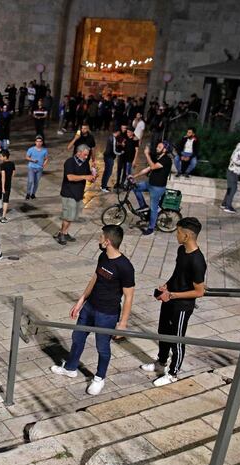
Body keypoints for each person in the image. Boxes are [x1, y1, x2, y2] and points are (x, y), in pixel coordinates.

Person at [51, 225, 135, 395]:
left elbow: (129, 296)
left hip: (107, 314)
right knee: (77, 337)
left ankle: (99, 378)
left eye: (101, 237)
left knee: (102, 347)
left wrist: (123, 323)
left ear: (108, 241)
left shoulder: (125, 266)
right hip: (90, 307)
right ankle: (71, 368)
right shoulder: (103, 256)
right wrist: (81, 301)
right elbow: (95, 278)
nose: (99, 239)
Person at [140, 217, 206, 386]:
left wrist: (172, 295)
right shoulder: (181, 251)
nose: (176, 235)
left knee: (177, 339)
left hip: (182, 306)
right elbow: (178, 274)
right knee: (163, 332)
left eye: (178, 232)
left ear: (187, 235)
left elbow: (199, 291)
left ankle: (173, 373)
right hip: (169, 298)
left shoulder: (198, 261)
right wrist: (166, 286)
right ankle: (161, 362)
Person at [130, 140, 174, 235]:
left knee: (154, 208)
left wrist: (146, 154)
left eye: (159, 147)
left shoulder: (167, 159)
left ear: (165, 149)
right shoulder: (158, 157)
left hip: (157, 188)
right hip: (149, 183)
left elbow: (153, 167)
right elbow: (148, 169)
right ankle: (143, 206)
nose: (157, 148)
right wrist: (134, 176)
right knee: (135, 187)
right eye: (157, 146)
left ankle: (151, 228)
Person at [57, 144, 96, 245]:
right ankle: (61, 234)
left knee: (73, 216)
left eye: (87, 155)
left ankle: (65, 233)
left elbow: (87, 176)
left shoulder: (85, 163)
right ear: (78, 153)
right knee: (68, 216)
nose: (86, 157)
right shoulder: (69, 162)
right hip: (68, 193)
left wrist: (92, 177)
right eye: (85, 155)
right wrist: (85, 177)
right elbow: (70, 177)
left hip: (78, 194)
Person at [25, 135, 48, 200]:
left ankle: (33, 194)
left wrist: (44, 164)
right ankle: (28, 193)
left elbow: (46, 158)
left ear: (42, 142)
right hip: (31, 167)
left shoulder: (44, 150)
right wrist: (32, 160)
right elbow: (26, 157)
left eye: (40, 141)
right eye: (37, 141)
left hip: (39, 168)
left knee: (36, 182)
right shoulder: (31, 149)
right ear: (35, 142)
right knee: (30, 181)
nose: (38, 143)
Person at [100, 128, 122, 192]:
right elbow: (114, 151)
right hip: (109, 157)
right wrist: (121, 153)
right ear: (117, 132)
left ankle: (103, 185)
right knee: (108, 172)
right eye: (119, 132)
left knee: (106, 172)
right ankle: (103, 187)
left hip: (107, 156)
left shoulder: (111, 137)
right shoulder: (114, 139)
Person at [0, 149, 14, 223]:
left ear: (5, 157)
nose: (0, 158)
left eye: (1, 156)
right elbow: (13, 174)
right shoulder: (12, 164)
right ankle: (3, 216)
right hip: (8, 184)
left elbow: (3, 176)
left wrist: (3, 187)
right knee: (6, 200)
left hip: (1, 184)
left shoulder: (2, 165)